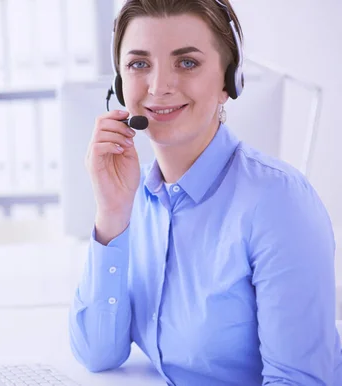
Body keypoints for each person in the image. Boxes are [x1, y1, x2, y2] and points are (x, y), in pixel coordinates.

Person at [68, 0, 342, 385]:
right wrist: (112, 214)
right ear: (119, 84)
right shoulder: (137, 198)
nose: (159, 86)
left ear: (230, 82)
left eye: (187, 62)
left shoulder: (279, 203)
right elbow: (97, 353)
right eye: (139, 64)